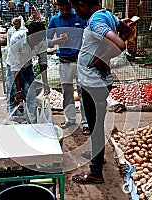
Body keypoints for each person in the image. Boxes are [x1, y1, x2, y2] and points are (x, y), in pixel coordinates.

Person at [68, 0, 133, 184]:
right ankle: (98, 156)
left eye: (75, 7)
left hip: (93, 84)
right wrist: (102, 56)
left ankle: (95, 172)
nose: (75, 11)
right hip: (98, 82)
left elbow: (120, 44)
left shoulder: (96, 22)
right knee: (97, 123)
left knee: (95, 126)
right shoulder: (108, 15)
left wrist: (102, 58)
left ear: (82, 4)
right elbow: (127, 31)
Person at [46, 0, 89, 135]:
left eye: (67, 9)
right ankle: (70, 119)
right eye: (62, 9)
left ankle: (86, 123)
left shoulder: (80, 17)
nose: (64, 12)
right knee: (67, 92)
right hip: (64, 61)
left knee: (83, 92)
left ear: (71, 7)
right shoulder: (54, 20)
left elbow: (89, 35)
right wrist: (57, 41)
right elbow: (47, 41)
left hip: (80, 61)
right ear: (58, 8)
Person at [6, 21, 50, 124]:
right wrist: (18, 90)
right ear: (28, 34)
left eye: (40, 39)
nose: (38, 42)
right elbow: (15, 66)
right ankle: (11, 122)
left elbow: (43, 62)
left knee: (31, 96)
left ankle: (31, 122)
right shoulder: (16, 39)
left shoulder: (43, 41)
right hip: (13, 68)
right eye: (36, 39)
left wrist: (46, 84)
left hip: (27, 67)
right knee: (12, 96)